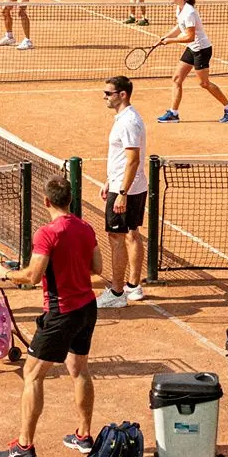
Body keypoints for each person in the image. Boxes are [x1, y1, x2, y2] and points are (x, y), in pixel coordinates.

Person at [0, 173, 102, 457]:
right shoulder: (86, 228)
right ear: (71, 200)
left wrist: (5, 273)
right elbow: (97, 267)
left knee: (32, 374)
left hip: (61, 313)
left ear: (46, 201)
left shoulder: (47, 233)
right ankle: (83, 436)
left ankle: (24, 447)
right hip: (87, 308)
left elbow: (32, 276)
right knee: (79, 369)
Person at [157, 0, 228, 124]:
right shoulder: (179, 9)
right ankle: (173, 113)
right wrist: (164, 37)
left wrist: (170, 41)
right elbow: (179, 27)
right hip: (192, 48)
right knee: (177, 79)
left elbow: (190, 37)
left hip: (201, 50)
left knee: (204, 83)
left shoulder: (189, 12)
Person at [97, 76, 147, 309]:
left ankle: (117, 293)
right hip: (128, 185)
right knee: (132, 233)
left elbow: (133, 159)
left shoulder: (128, 122)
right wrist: (110, 180)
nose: (105, 97)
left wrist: (122, 192)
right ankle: (133, 286)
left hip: (126, 189)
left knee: (116, 237)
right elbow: (122, 158)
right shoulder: (127, 118)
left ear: (122, 95)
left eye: (108, 93)